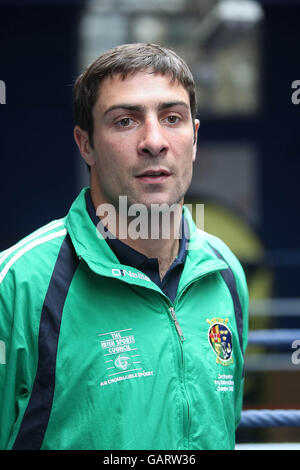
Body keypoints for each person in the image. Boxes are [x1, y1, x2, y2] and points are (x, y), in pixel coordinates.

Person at [0, 43, 248, 450]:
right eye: (125, 121)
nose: (154, 141)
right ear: (86, 145)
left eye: (172, 118)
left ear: (195, 138)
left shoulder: (223, 271)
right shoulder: (19, 284)